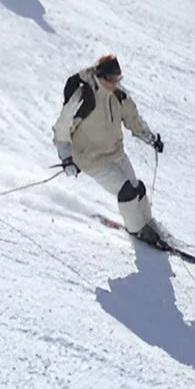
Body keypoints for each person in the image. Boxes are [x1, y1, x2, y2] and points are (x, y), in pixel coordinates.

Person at [54, 53, 165, 245]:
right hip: (91, 158)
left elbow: (133, 120)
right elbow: (62, 129)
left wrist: (151, 138)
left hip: (116, 152)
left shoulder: (119, 94)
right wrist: (66, 159)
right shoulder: (83, 96)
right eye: (112, 79)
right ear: (101, 77)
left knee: (137, 188)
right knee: (127, 191)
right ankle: (137, 230)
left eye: (118, 79)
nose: (116, 83)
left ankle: (147, 224)